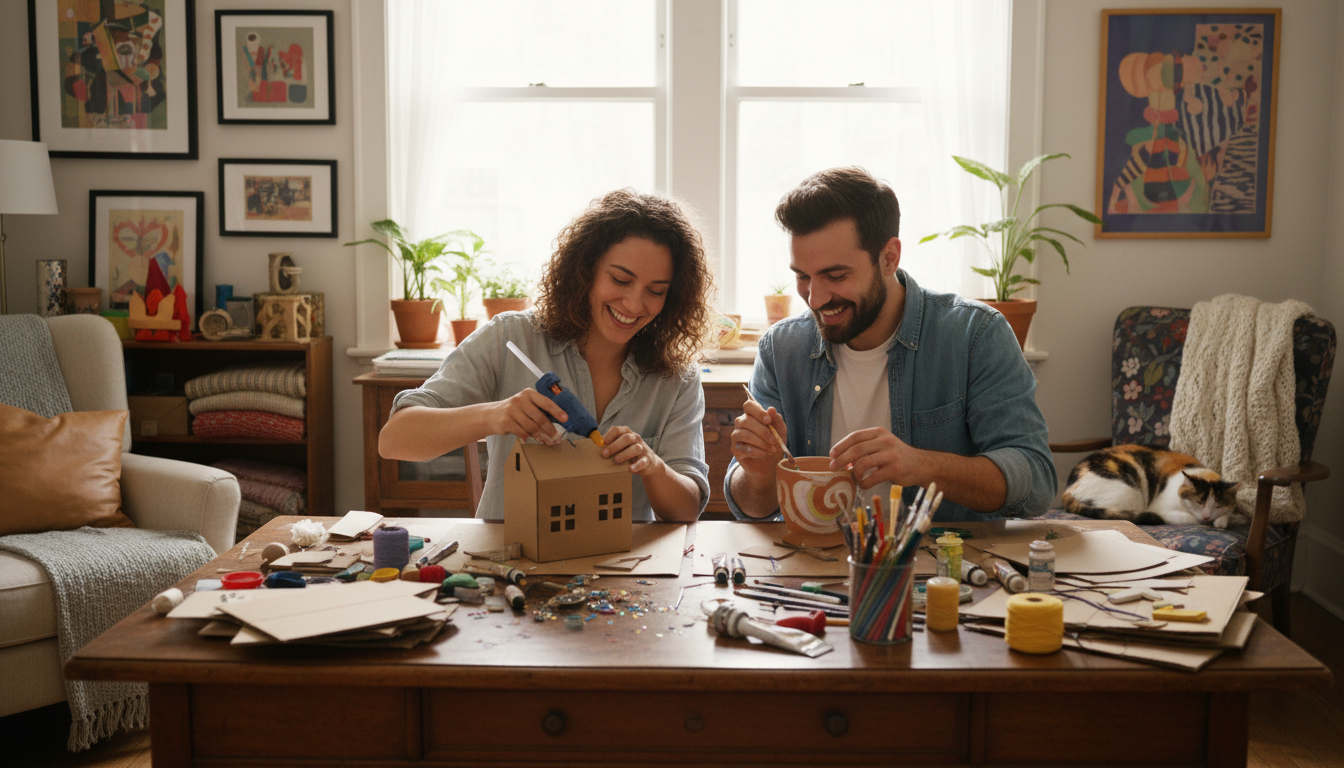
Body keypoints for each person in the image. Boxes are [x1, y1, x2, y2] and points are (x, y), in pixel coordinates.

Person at [726, 167, 1056, 523]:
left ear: (889, 258)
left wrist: (921, 465)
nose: (816, 298)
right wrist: (760, 474)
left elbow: (1036, 483)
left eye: (835, 276)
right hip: (812, 567)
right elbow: (754, 509)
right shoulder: (781, 348)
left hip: (941, 569)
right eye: (803, 276)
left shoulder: (976, 336)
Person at [380, 189, 714, 522]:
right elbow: (395, 440)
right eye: (620, 279)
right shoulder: (511, 338)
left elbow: (687, 510)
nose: (635, 304)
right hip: (511, 565)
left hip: (628, 572)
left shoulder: (677, 375)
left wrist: (653, 467)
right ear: (586, 269)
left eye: (656, 291)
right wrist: (492, 416)